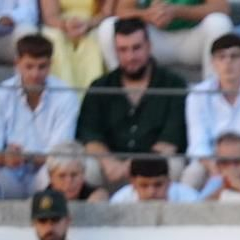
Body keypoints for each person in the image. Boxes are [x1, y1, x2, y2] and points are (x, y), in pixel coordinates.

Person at [75, 17, 186, 189]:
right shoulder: (101, 86)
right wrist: (108, 162)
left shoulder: (173, 84)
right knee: (88, 168)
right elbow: (89, 134)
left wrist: (131, 166)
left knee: (175, 165)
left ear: (149, 46)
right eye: (123, 50)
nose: (130, 57)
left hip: (153, 165)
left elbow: (170, 141)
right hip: (110, 166)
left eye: (136, 48)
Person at [0, 33, 79, 197]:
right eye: (29, 66)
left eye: (42, 67)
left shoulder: (66, 96)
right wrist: (5, 158)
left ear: (51, 64)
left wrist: (25, 158)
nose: (35, 74)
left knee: (61, 171)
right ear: (17, 64)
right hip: (9, 174)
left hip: (44, 174)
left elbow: (59, 155)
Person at [181, 33, 240, 189]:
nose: (228, 62)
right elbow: (198, 142)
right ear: (213, 63)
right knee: (193, 173)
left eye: (234, 56)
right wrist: (215, 168)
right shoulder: (197, 94)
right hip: (213, 162)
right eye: (221, 57)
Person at [94, 0, 232, 81]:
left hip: (193, 39)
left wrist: (176, 11)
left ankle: (212, 91)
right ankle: (123, 89)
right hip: (155, 42)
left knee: (219, 22)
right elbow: (122, 11)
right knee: (109, 27)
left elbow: (221, 8)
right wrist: (146, 15)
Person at [39, 0, 110, 87]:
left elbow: (106, 13)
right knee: (54, 36)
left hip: (93, 23)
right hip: (60, 24)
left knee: (94, 38)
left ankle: (92, 94)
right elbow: (50, 16)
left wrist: (88, 24)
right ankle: (64, 93)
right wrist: (65, 25)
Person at [107, 150, 201, 199]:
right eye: (144, 185)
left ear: (168, 181)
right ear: (133, 183)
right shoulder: (121, 200)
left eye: (158, 185)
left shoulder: (189, 198)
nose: (151, 192)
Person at [42, 139, 108, 199]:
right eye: (62, 176)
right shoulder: (42, 200)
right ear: (51, 177)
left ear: (83, 173)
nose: (68, 181)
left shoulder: (95, 196)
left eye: (74, 175)